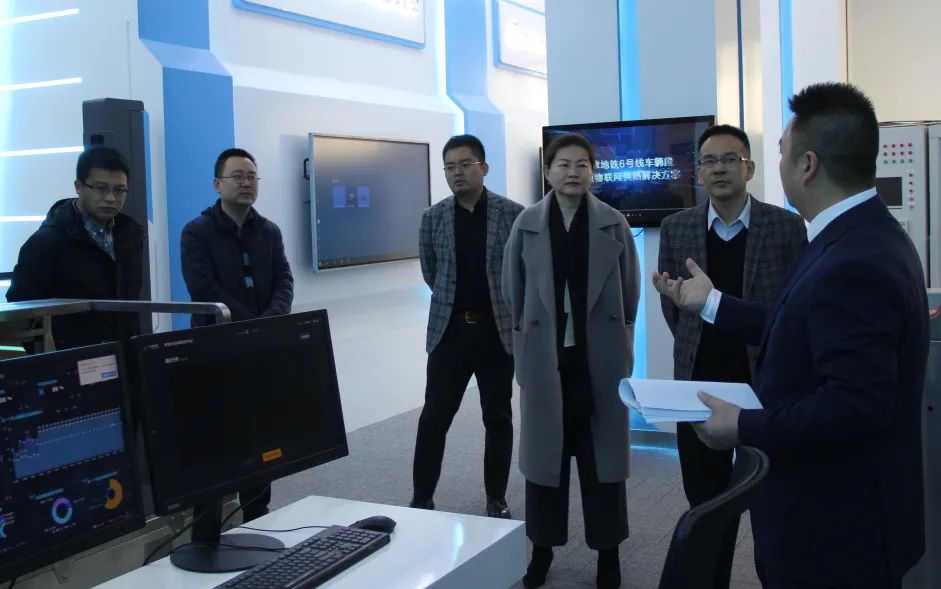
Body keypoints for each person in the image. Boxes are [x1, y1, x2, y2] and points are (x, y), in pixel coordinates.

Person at [654, 82, 928, 589]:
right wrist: (710, 303)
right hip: (836, 515)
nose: (778, 164)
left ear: (807, 165)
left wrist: (745, 425)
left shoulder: (852, 259)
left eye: (781, 152)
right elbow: (799, 327)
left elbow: (855, 406)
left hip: (835, 527)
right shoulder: (857, 236)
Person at [657, 124, 806, 589]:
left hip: (765, 386)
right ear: (698, 171)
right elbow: (673, 307)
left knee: (771, 507)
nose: (718, 168)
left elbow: (796, 308)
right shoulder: (676, 227)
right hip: (699, 387)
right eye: (708, 160)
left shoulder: (785, 227)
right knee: (706, 508)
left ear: (750, 168)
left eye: (729, 159)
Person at [503, 133, 639, 589]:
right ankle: (541, 553)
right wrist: (525, 344)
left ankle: (608, 556)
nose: (573, 172)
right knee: (546, 463)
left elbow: (630, 293)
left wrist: (623, 343)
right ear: (547, 171)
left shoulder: (614, 224)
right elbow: (513, 291)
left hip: (598, 359)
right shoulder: (526, 224)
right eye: (563, 164)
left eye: (582, 164)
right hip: (546, 359)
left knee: (604, 464)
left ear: (593, 173)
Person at [411, 134, 523, 519]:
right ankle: (422, 498)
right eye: (449, 167)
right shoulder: (433, 217)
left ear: (483, 168)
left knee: (498, 417)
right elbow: (431, 272)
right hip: (451, 332)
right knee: (434, 417)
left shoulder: (513, 214)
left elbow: (520, 272)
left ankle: (496, 498)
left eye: (464, 165)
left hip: (496, 331)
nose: (456, 173)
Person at [181, 147, 294, 521]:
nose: (246, 183)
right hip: (214, 354)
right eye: (238, 176)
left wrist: (271, 319)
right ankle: (206, 533)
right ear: (218, 184)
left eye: (252, 177)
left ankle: (258, 520)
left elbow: (284, 280)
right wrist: (252, 325)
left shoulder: (269, 231)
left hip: (260, 352)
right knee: (215, 446)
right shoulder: (196, 232)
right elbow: (203, 289)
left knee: (260, 440)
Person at [6, 146, 144, 350]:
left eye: (119, 190)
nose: (111, 198)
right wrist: (51, 359)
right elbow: (22, 313)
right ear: (79, 186)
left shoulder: (131, 235)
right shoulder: (46, 242)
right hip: (72, 358)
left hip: (125, 355)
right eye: (101, 188)